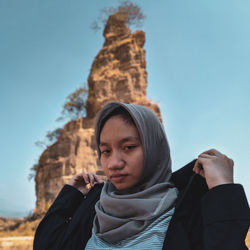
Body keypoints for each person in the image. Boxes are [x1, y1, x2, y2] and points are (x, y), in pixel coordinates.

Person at [34, 102, 250, 250]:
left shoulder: (184, 207)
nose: (114, 163)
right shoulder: (97, 205)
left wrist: (223, 189)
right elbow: (47, 245)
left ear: (155, 149)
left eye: (128, 147)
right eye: (106, 151)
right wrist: (70, 194)